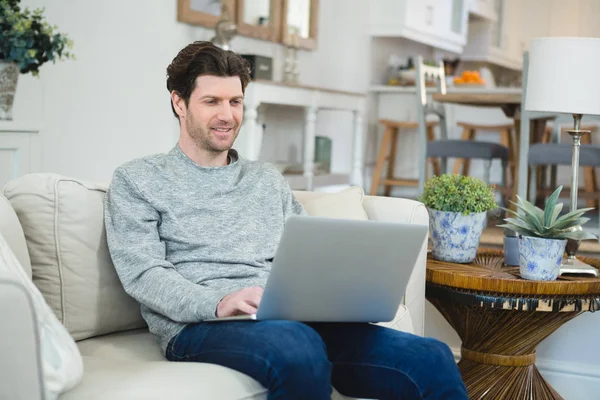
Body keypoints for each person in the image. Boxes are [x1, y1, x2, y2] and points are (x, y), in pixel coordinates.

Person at [104, 41, 468, 400]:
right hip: (199, 325)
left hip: (288, 320)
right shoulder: (138, 180)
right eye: (211, 101)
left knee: (432, 356)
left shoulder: (266, 180)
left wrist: (340, 295)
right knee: (297, 346)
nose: (227, 115)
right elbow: (144, 273)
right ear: (179, 103)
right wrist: (219, 301)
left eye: (235, 102)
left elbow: (307, 255)